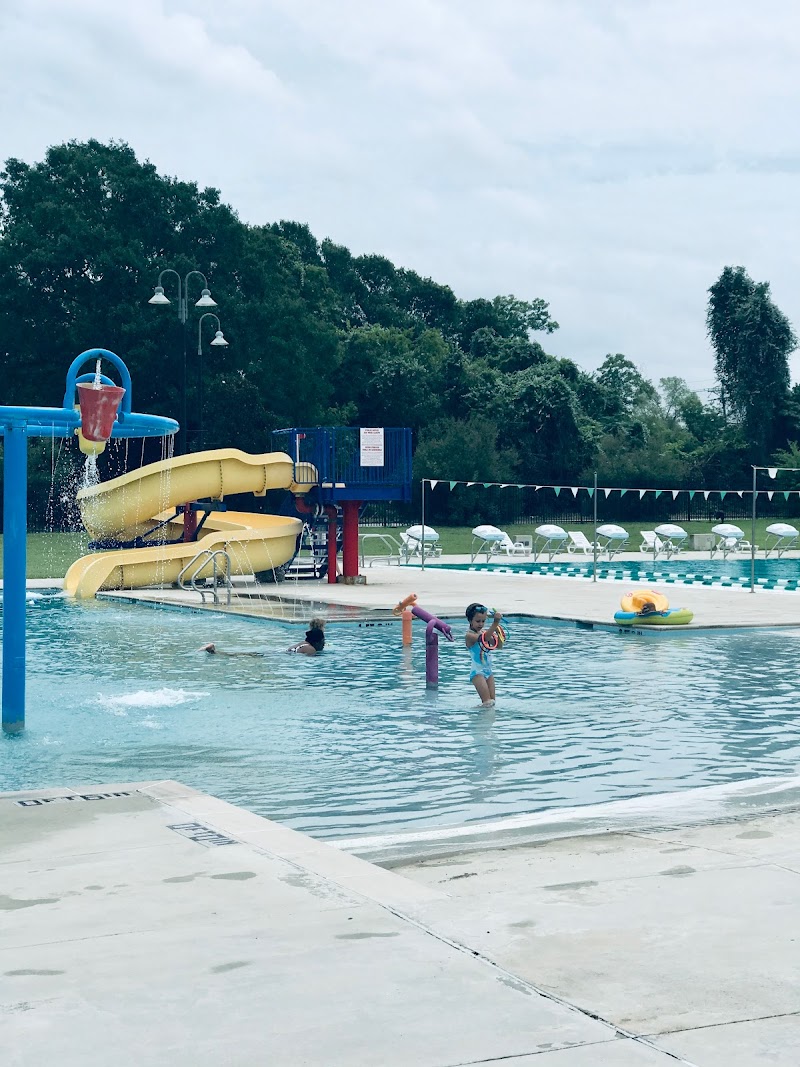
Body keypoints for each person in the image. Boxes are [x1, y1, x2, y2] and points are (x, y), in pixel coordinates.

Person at [201, 618, 326, 657]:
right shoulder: (311, 650)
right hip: (277, 656)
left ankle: (215, 652)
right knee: (241, 656)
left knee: (244, 654)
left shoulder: (304, 643)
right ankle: (214, 652)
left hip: (277, 652)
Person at [465, 603, 503, 708]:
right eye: (478, 621)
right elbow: (484, 638)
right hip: (477, 673)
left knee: (492, 703)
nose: (481, 624)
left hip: (488, 671)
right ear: (470, 621)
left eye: (483, 621)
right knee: (487, 702)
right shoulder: (469, 636)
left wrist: (498, 632)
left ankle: (483, 718)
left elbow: (498, 646)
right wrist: (495, 623)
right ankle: (476, 717)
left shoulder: (484, 632)